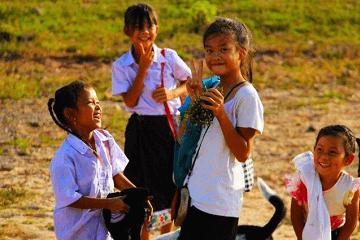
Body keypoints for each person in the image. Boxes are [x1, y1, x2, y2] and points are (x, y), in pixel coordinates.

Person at [177, 17, 264, 240]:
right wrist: (194, 100)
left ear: (241, 52)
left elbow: (243, 152)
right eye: (209, 50)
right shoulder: (211, 87)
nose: (215, 56)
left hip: (220, 201)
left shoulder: (246, 96)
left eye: (224, 49)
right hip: (196, 194)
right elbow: (181, 137)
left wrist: (221, 114)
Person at [111, 3, 191, 239]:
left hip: (168, 127)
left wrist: (173, 93)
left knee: (169, 183)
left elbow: (190, 83)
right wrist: (143, 68)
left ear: (157, 29)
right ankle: (143, 235)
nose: (145, 31)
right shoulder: (121, 65)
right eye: (138, 27)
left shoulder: (169, 57)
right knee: (139, 184)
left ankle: (166, 235)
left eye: (149, 26)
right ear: (127, 31)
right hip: (140, 128)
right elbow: (131, 102)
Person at [48, 81, 152, 240]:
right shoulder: (65, 157)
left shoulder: (105, 140)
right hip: (78, 233)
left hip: (103, 231)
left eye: (98, 102)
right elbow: (70, 199)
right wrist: (108, 204)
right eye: (90, 103)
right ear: (70, 113)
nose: (98, 107)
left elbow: (115, 175)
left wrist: (139, 196)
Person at [284, 125, 360, 240]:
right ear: (314, 150)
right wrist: (301, 238)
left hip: (337, 234)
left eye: (332, 152)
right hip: (308, 232)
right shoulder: (305, 178)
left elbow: (351, 222)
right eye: (320, 150)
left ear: (348, 159)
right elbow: (295, 213)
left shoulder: (350, 187)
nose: (324, 157)